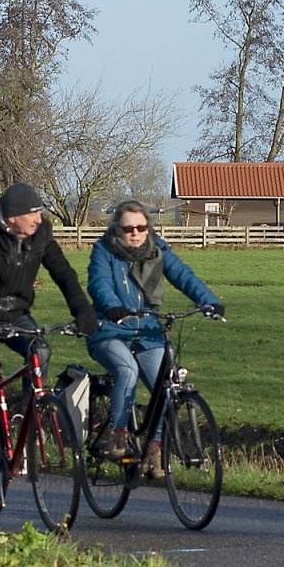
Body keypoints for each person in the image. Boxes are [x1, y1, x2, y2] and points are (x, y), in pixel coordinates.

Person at [0, 183, 99, 506]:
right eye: (32, 212)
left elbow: (63, 273)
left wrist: (82, 310)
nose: (38, 218)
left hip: (17, 314)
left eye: (39, 211)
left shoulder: (41, 233)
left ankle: (28, 419)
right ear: (12, 217)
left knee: (41, 351)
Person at [87, 199, 224, 478]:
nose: (135, 233)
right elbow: (98, 283)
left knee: (167, 383)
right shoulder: (103, 251)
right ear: (117, 229)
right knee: (127, 370)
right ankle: (116, 435)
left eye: (141, 227)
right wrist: (112, 307)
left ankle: (156, 449)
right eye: (128, 228)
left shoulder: (157, 250)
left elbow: (183, 276)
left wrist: (209, 302)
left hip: (148, 331)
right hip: (110, 330)